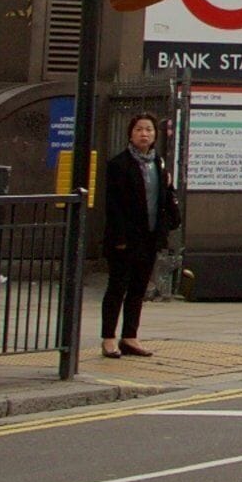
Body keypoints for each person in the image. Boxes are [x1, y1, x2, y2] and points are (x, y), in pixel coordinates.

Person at [100, 113, 183, 357]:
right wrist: (119, 238)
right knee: (117, 287)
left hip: (149, 237)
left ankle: (130, 336)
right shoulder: (119, 164)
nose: (144, 134)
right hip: (125, 239)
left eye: (148, 129)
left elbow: (166, 198)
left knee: (138, 289)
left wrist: (165, 226)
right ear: (131, 133)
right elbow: (113, 206)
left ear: (155, 135)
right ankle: (108, 338)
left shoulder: (158, 163)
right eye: (139, 129)